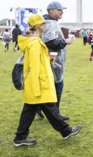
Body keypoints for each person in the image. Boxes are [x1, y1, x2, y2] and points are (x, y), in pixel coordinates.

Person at [13, 14, 81, 147]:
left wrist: (48, 60)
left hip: (37, 82)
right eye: (43, 24)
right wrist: (40, 85)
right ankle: (66, 131)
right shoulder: (35, 44)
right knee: (50, 108)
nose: (45, 26)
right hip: (38, 82)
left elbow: (36, 63)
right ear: (38, 26)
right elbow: (34, 67)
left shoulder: (34, 41)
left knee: (30, 110)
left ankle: (20, 138)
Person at [40, 1, 74, 121]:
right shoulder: (50, 23)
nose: (62, 12)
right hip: (53, 62)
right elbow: (51, 42)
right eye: (59, 9)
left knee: (51, 87)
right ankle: (55, 115)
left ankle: (40, 108)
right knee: (57, 86)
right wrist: (66, 41)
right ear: (51, 11)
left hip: (53, 61)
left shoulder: (50, 22)